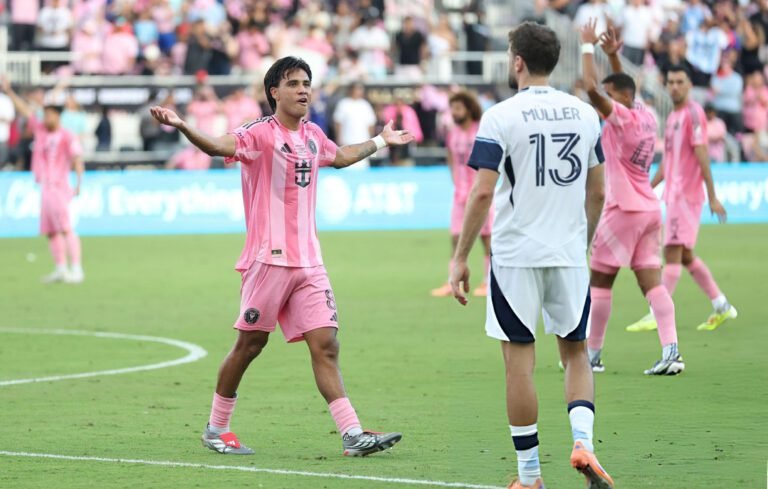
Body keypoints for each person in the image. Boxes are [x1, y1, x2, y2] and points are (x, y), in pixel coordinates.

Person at [149, 57, 413, 456]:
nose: (303, 90)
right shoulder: (259, 133)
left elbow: (339, 156)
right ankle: (216, 428)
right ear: (275, 91)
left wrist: (379, 141)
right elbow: (220, 145)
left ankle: (352, 434)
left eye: (307, 83)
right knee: (250, 346)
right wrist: (185, 125)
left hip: (310, 262)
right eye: (294, 83)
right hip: (268, 260)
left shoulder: (313, 135)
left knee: (326, 345)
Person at [448, 22, 613, 489]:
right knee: (576, 352)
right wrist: (583, 239)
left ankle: (530, 476)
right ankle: (583, 444)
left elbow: (482, 194)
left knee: (518, 362)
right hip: (567, 252)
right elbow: (597, 190)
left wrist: (460, 257)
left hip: (517, 253)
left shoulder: (500, 116)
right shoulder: (584, 114)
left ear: (517, 60)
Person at [580, 23, 682, 375]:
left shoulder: (621, 116)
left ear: (619, 99)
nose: (604, 101)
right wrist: (613, 56)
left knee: (600, 282)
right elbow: (623, 88)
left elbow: (593, 88)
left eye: (612, 96)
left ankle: (592, 355)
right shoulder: (644, 114)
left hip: (623, 208)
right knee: (650, 283)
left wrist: (588, 48)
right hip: (650, 209)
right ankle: (672, 352)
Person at [626, 64, 736, 333]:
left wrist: (712, 196)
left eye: (679, 82)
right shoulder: (674, 116)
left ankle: (656, 311)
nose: (674, 86)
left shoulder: (694, 114)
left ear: (689, 85)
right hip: (673, 195)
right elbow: (668, 162)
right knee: (685, 255)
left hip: (687, 196)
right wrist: (648, 187)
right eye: (671, 82)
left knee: (671, 252)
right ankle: (722, 306)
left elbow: (702, 156)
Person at [1, 79, 85, 284]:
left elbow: (77, 160)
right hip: (44, 187)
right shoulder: (40, 130)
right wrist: (10, 91)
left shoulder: (67, 136)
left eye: (49, 114)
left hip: (59, 187)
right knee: (50, 231)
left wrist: (79, 184)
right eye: (45, 114)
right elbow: (25, 111)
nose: (45, 117)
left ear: (58, 116)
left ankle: (76, 268)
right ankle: (60, 268)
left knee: (65, 228)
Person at [431, 91, 492, 298]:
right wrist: (456, 181)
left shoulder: (481, 131)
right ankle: (452, 281)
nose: (454, 113)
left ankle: (488, 282)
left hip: (481, 193)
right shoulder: (452, 133)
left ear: (468, 108)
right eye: (452, 108)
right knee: (456, 238)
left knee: (487, 238)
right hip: (460, 194)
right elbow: (450, 159)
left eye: (458, 108)